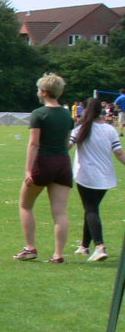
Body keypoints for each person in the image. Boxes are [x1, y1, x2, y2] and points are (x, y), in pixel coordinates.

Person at [14, 73, 73, 263]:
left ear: (45, 92)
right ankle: (58, 254)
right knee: (60, 212)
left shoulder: (39, 114)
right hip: (63, 163)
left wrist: (28, 170)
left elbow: (34, 144)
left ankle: (30, 248)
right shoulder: (67, 114)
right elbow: (66, 141)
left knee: (25, 205)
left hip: (44, 162)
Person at [70, 96, 123, 261]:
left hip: (86, 175)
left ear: (85, 110)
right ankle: (84, 246)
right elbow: (119, 153)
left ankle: (100, 246)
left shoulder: (80, 129)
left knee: (91, 209)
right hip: (106, 177)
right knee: (91, 209)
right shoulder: (110, 129)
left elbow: (67, 146)